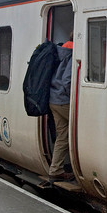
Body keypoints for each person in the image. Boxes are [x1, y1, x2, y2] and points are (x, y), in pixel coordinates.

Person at [48, 32, 74, 181]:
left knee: (62, 136)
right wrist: (75, 99)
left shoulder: (59, 50)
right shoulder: (72, 53)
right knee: (85, 129)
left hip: (54, 100)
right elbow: (67, 80)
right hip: (64, 101)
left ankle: (55, 170)